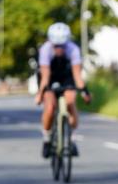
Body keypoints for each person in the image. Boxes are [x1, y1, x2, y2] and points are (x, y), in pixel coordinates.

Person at [34, 22, 90, 158]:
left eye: (62, 46)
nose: (59, 48)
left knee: (70, 102)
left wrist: (84, 92)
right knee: (50, 107)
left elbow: (77, 75)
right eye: (56, 46)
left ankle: (72, 139)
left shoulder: (73, 49)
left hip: (67, 76)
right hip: (50, 77)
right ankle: (47, 139)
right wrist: (40, 94)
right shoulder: (45, 50)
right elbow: (45, 76)